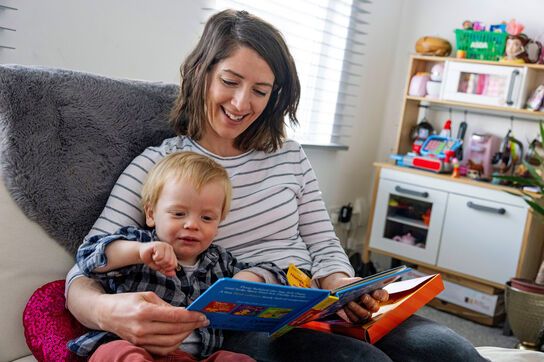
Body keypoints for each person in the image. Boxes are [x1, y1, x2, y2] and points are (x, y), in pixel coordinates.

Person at [66, 9, 488, 361]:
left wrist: (344, 288)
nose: (241, 103)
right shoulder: (160, 164)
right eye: (230, 82)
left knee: (453, 352)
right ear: (201, 73)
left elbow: (323, 245)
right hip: (242, 322)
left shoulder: (288, 155)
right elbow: (80, 273)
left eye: (260, 91)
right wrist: (109, 312)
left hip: (316, 302)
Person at [69, 151, 287, 361]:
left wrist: (252, 277)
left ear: (218, 225)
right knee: (116, 353)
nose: (192, 225)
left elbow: (272, 270)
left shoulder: (219, 261)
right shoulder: (140, 242)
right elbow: (88, 256)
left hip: (197, 357)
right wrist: (137, 252)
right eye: (179, 214)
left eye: (207, 218)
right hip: (133, 346)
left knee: (235, 358)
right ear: (151, 214)